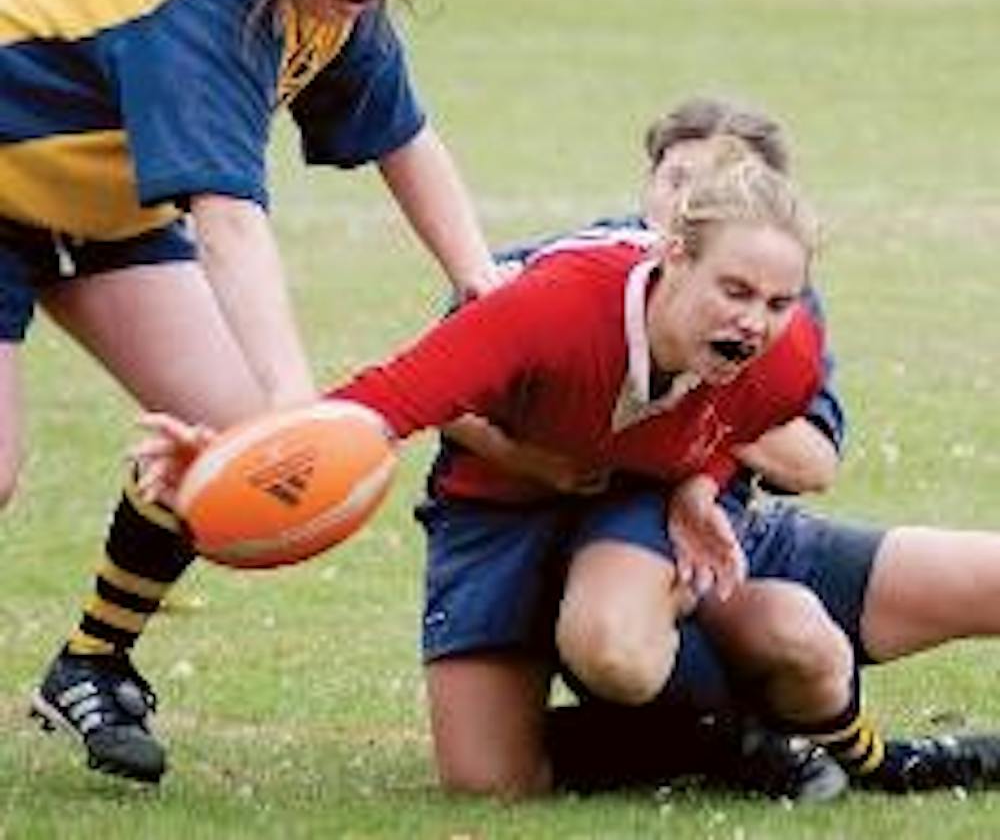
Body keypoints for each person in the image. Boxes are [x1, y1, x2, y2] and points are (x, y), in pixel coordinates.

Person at [8, 0, 496, 784]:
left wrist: (481, 285)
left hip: (101, 206)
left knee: (224, 444)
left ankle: (90, 662)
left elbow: (403, 135)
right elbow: (226, 219)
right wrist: (293, 401)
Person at [140, 138, 849, 797]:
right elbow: (386, 400)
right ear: (675, 255)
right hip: (496, 506)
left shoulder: (787, 356)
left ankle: (765, 722)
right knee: (487, 781)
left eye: (779, 301)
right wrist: (231, 456)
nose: (757, 319)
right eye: (739, 291)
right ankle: (719, 728)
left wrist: (699, 482)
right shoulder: (551, 304)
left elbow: (747, 426)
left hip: (624, 511)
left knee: (621, 641)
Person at [454, 97, 1000, 797]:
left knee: (975, 577)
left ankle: (846, 747)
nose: (687, 200)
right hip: (560, 547)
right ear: (648, 181)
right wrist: (547, 446)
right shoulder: (560, 274)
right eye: (675, 176)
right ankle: (739, 736)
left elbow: (813, 459)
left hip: (729, 535)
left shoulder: (772, 301)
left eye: (720, 184)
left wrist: (699, 387)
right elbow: (448, 392)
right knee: (489, 773)